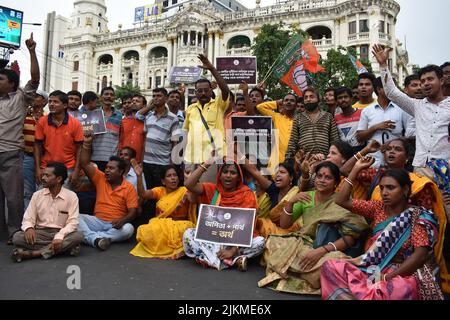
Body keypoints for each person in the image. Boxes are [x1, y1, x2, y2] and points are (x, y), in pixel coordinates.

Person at [322, 159, 442, 300]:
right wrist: (355, 170)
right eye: (382, 188)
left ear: (405, 190)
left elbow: (419, 256)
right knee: (330, 267)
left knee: (399, 289)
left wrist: (386, 277)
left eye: (390, 188)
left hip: (403, 271)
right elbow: (341, 200)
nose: (384, 192)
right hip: (373, 267)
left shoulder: (417, 216)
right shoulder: (377, 208)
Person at [258, 162, 368, 295]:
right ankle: (315, 275)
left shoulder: (342, 201)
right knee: (272, 243)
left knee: (335, 261)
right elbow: (284, 225)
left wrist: (321, 251)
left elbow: (350, 239)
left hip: (329, 249)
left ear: (336, 183)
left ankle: (301, 272)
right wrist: (291, 203)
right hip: (304, 245)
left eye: (328, 177)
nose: (322, 180)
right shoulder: (306, 196)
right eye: (319, 176)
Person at [183, 159, 265, 271]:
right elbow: (189, 184)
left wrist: (232, 250)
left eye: (233, 173)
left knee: (260, 242)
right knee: (188, 234)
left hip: (236, 242)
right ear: (220, 175)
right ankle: (233, 261)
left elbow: (247, 227)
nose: (228, 176)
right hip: (213, 240)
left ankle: (213, 259)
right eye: (225, 172)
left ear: (238, 177)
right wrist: (206, 163)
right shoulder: (211, 189)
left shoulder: (247, 194)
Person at [0, 33, 40, 243]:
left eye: (1, 79)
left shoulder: (20, 98)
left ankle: (15, 232)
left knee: (14, 197)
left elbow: (34, 79)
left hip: (10, 155)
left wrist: (32, 51)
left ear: (12, 84)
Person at [11, 162, 84, 263]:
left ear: (59, 179)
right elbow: (28, 218)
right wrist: (29, 228)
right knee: (17, 237)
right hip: (41, 233)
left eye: (47, 175)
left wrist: (59, 236)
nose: (43, 178)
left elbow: (73, 222)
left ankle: (33, 254)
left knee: (78, 236)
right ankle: (64, 249)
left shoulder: (71, 197)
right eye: (43, 174)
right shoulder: (37, 195)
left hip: (61, 232)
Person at [78, 132, 138, 250]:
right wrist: (87, 142)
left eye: (111, 168)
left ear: (120, 172)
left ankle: (94, 237)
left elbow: (133, 212)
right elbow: (84, 163)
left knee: (129, 229)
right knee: (74, 217)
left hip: (115, 224)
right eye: (106, 168)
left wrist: (123, 220)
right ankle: (96, 239)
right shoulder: (100, 178)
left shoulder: (129, 187)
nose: (107, 171)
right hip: (97, 221)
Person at [130, 162, 197, 259]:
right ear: (163, 181)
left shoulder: (184, 190)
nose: (173, 178)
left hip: (180, 226)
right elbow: (143, 194)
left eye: (175, 175)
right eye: (169, 176)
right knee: (145, 230)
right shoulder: (159, 191)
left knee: (187, 231)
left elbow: (193, 200)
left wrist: (189, 181)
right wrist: (139, 176)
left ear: (178, 178)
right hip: (161, 226)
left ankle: (173, 250)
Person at [183, 54, 231, 183]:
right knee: (190, 192)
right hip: (191, 159)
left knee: (208, 192)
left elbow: (225, 91)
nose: (203, 93)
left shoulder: (219, 105)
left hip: (212, 158)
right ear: (195, 92)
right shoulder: (191, 109)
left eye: (206, 90)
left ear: (211, 91)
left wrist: (212, 69)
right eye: (199, 91)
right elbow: (187, 133)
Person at [356, 77, 413, 168]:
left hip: (396, 164)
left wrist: (392, 144)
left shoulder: (402, 108)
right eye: (389, 87)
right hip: (372, 162)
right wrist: (375, 127)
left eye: (393, 88)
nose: (393, 91)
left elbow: (410, 135)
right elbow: (359, 138)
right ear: (379, 89)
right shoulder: (367, 111)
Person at [34, 91, 84, 190]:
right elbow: (37, 146)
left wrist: (76, 170)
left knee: (63, 202)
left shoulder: (75, 123)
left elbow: (80, 149)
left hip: (68, 169)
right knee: (43, 201)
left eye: (56, 102)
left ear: (65, 105)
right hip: (46, 168)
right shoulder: (42, 121)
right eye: (50, 101)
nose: (51, 104)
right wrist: (38, 169)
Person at [136, 88, 179, 189]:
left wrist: (171, 165)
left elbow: (175, 143)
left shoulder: (173, 118)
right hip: (147, 162)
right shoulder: (149, 116)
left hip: (162, 163)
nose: (156, 98)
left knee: (161, 192)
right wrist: (151, 106)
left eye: (159, 96)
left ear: (166, 98)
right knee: (149, 191)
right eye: (154, 96)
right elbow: (138, 116)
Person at [243, 160, 300, 237]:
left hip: (291, 235)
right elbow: (255, 172)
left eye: (282, 172)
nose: (278, 175)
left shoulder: (297, 191)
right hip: (271, 232)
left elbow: (304, 183)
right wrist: (237, 153)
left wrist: (306, 173)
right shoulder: (273, 190)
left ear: (291, 177)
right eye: (276, 172)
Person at [286, 87, 340, 159]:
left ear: (318, 99)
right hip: (304, 161)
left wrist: (332, 157)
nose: (308, 99)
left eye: (311, 96)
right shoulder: (298, 117)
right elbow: (293, 140)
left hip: (325, 160)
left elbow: (335, 139)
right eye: (306, 97)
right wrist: (288, 158)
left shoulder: (328, 116)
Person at [23, 90, 48, 209]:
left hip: (42, 159)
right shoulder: (24, 114)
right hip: (26, 157)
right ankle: (27, 221)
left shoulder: (47, 119)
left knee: (40, 190)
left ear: (44, 101)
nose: (33, 98)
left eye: (37, 96)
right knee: (27, 191)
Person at [257, 93, 296, 165]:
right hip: (276, 161)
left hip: (294, 161)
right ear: (282, 103)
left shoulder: (299, 119)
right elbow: (260, 107)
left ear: (296, 105)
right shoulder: (276, 117)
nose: (289, 102)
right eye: (286, 100)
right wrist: (277, 102)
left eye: (292, 100)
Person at [91, 87, 122, 172]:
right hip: (94, 158)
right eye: (106, 94)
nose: (109, 96)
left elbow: (121, 138)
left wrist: (118, 157)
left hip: (112, 160)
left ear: (114, 98)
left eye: (111, 95)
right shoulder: (93, 114)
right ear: (101, 97)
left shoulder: (120, 116)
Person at [333, 87, 364, 152]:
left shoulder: (362, 113)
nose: (343, 100)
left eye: (346, 97)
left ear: (351, 99)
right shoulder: (335, 118)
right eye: (340, 98)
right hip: (344, 153)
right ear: (336, 101)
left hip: (361, 151)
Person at [119, 94, 146, 163]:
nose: (133, 103)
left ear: (144, 106)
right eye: (133, 101)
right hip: (123, 161)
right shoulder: (123, 121)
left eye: (137, 101)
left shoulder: (147, 121)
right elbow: (120, 141)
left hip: (139, 161)